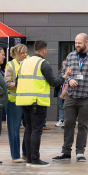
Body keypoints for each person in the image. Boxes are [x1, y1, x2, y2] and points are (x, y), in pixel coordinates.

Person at [56, 33, 88, 162]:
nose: (77, 45)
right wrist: (69, 80)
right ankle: (66, 152)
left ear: (86, 42)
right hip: (71, 96)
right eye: (76, 43)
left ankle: (80, 152)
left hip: (87, 97)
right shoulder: (71, 56)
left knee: (83, 125)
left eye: (79, 43)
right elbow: (63, 73)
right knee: (68, 124)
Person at [17, 40, 61, 168]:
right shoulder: (43, 63)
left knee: (29, 130)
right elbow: (53, 82)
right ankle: (35, 160)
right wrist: (65, 77)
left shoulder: (24, 63)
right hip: (37, 102)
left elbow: (17, 80)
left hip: (24, 101)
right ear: (44, 51)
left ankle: (30, 159)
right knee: (36, 131)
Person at [4, 44, 28, 163]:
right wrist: (19, 85)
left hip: (27, 101)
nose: (25, 55)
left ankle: (26, 153)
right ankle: (15, 156)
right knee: (14, 129)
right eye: (23, 53)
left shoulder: (29, 63)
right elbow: (7, 83)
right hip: (14, 102)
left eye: (26, 52)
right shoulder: (10, 65)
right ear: (17, 54)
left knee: (29, 128)